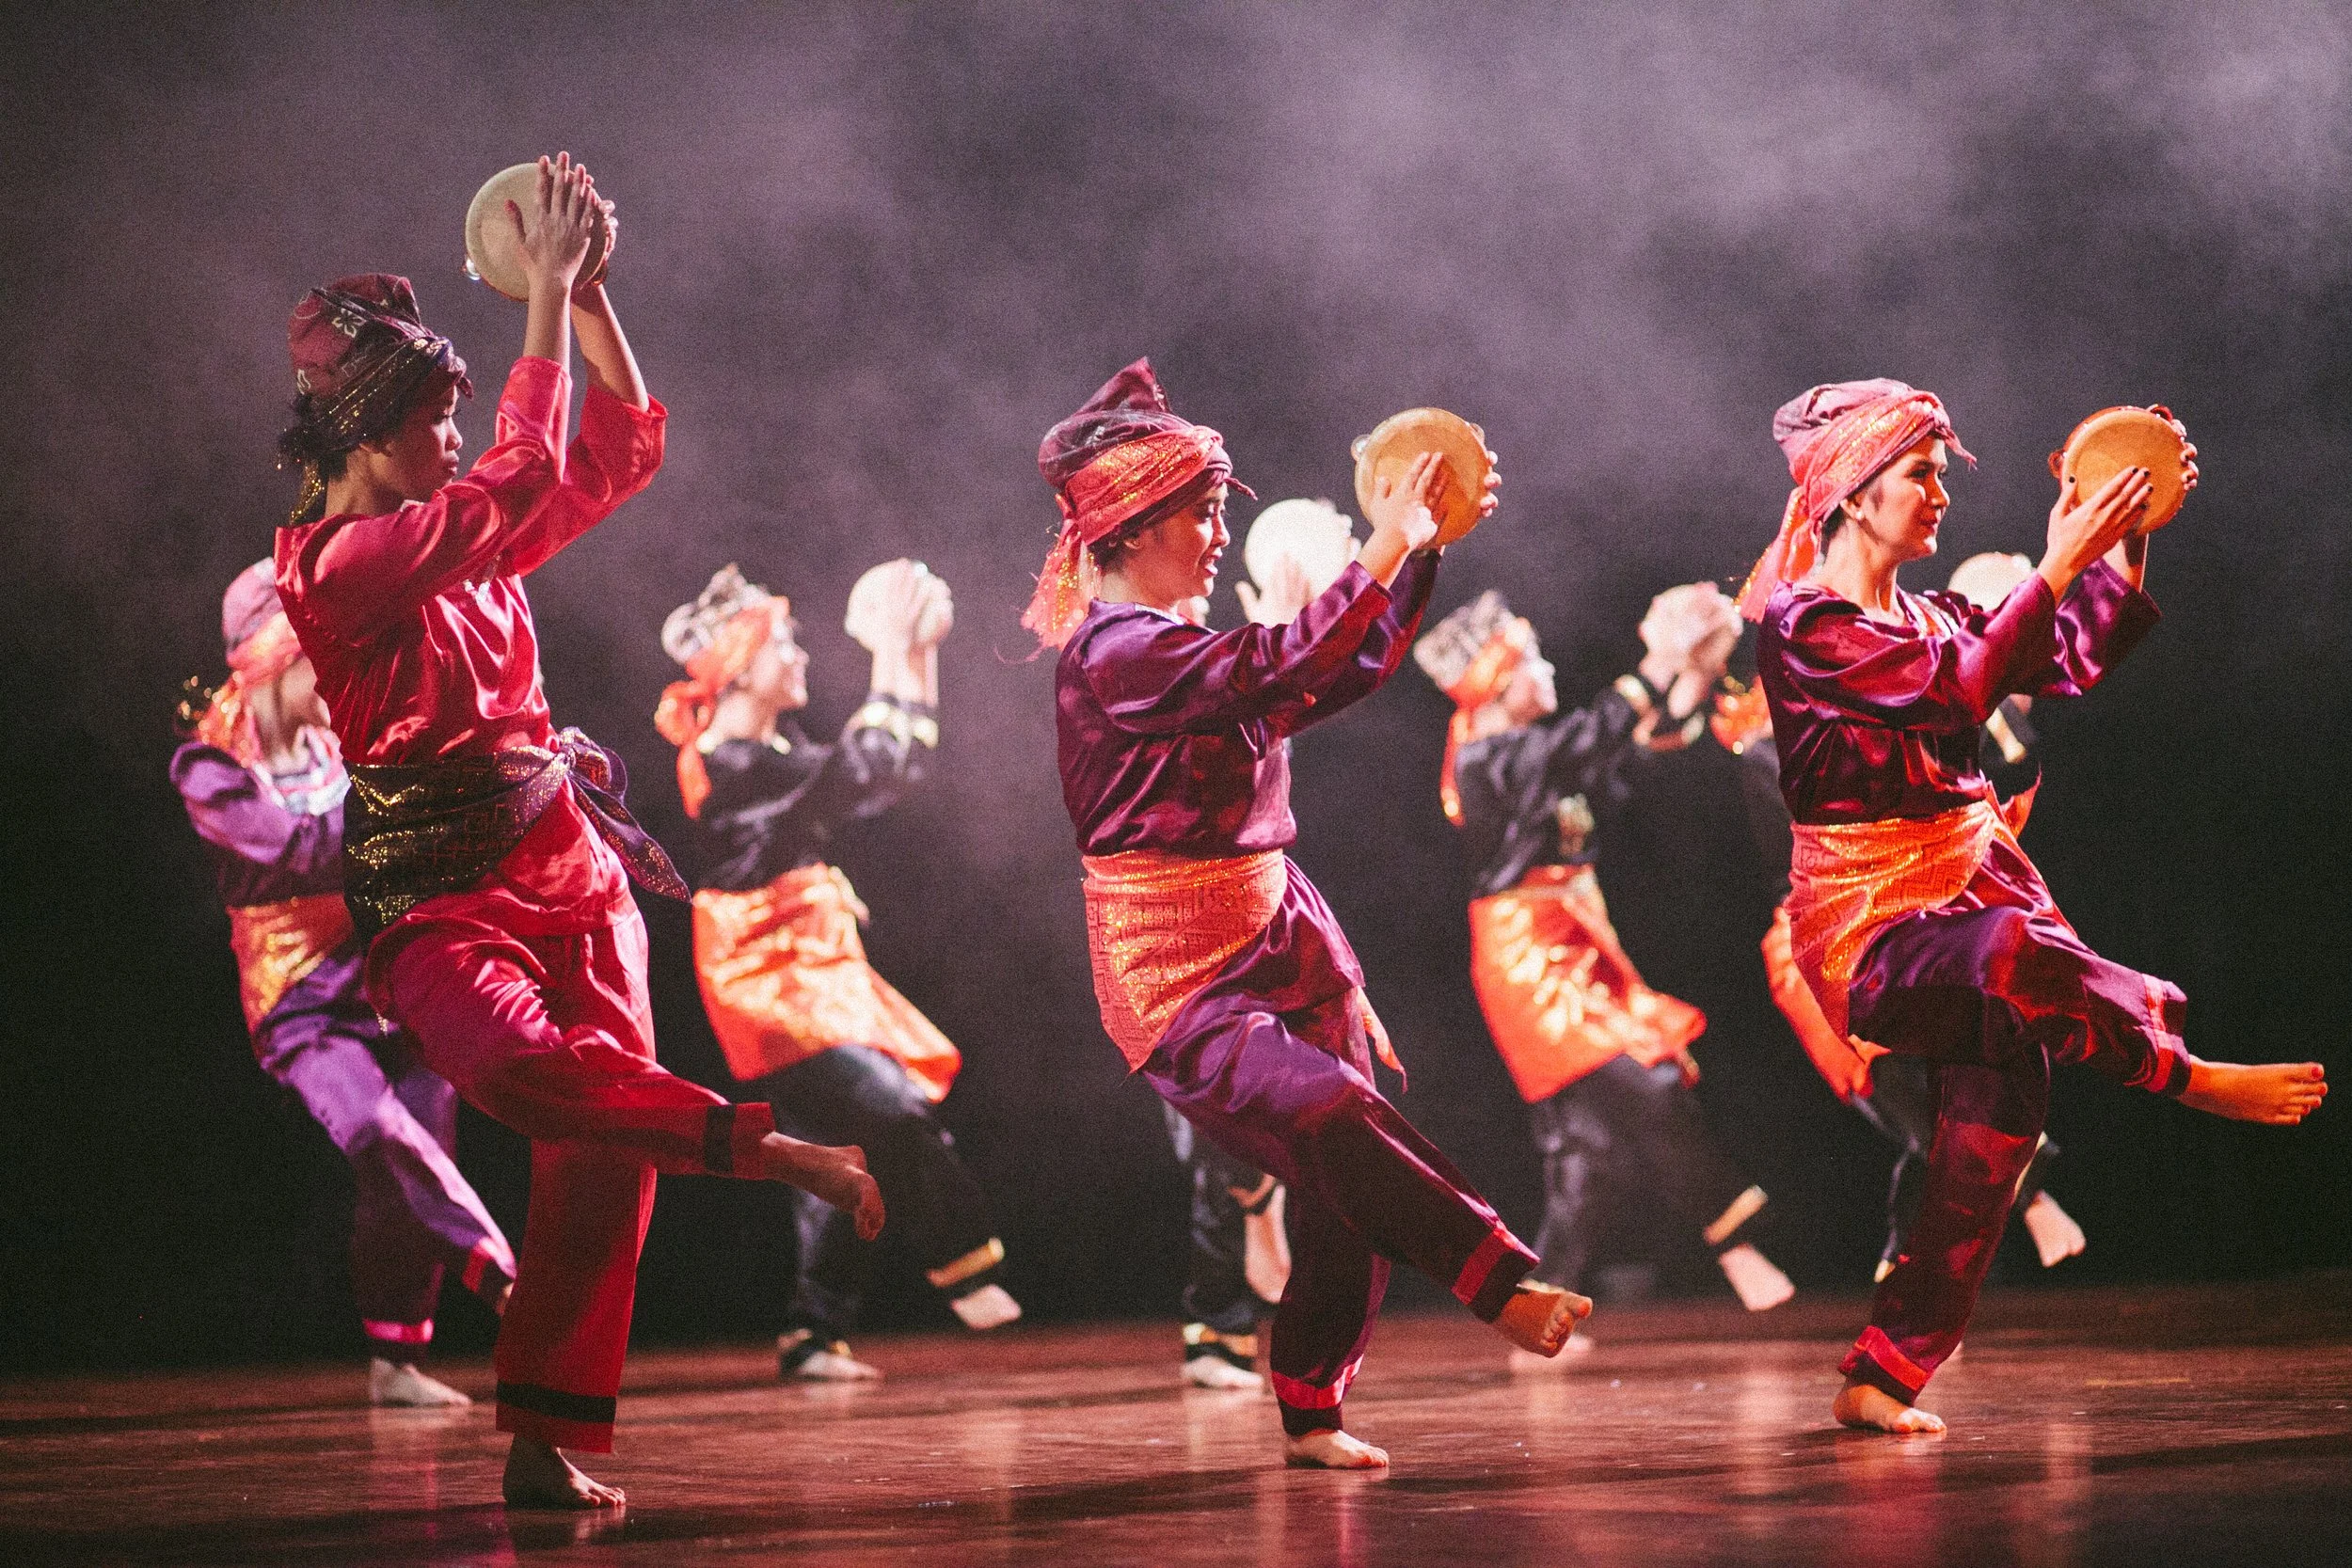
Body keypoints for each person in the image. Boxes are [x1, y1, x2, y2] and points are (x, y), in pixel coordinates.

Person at [272, 155, 881, 1508]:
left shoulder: (457, 533)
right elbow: (524, 462)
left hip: (570, 865)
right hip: (437, 894)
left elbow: (612, 447)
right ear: (364, 439)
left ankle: (545, 1436)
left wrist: (589, 298)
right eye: (435, 419)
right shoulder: (339, 566)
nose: (454, 437)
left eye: (456, 415)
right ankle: (760, 1144)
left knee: (600, 1164)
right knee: (524, 1073)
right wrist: (538, 290)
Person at [1741, 377, 2325, 1434]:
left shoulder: (1931, 609)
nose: (1939, 495)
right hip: (1870, 930)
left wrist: (2123, 534)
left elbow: (2067, 655)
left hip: (1965, 880)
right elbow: (1960, 688)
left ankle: (1883, 1371)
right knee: (2007, 948)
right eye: (1920, 476)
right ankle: (2177, 1068)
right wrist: (2056, 560)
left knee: (1996, 1126)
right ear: (1856, 493)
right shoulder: (1806, 625)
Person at [1033, 358, 1587, 1470]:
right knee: (1329, 1116)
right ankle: (1498, 1275)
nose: (1216, 533)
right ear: (1134, 527)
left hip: (1279, 928)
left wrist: (1420, 543)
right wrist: (1382, 542)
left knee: (1344, 1188)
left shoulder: (1181, 646)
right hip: (1173, 966)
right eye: (1199, 512)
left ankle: (1309, 1398)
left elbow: (1342, 665)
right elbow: (1283, 655)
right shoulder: (1114, 652)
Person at [656, 560, 1018, 1382]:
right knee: (889, 1105)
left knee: (837, 1146)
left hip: (814, 963)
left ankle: (814, 1329)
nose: (802, 655)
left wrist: (915, 657)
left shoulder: (773, 749)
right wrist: (893, 649)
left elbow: (888, 770)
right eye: (784, 642)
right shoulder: (729, 759)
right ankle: (965, 1257)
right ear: (742, 666)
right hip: (765, 977)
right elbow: (860, 768)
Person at [173, 561, 515, 1406]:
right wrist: (407, 804)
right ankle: (513, 1283)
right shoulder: (208, 768)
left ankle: (396, 1357)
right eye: (331, 661)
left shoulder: (340, 743)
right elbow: (299, 854)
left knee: (413, 1156)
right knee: (379, 1130)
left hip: (387, 982)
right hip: (301, 1009)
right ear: (276, 658)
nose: (347, 681)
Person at [1417, 587, 1793, 1346]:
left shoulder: (1545, 757)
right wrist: (1659, 659)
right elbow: (1596, 734)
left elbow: (1626, 748)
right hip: (1530, 966)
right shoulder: (1493, 759)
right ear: (1499, 681)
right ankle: (1733, 1236)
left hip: (1581, 948)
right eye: (1533, 661)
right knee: (1648, 1084)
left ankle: (1539, 1302)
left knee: (1584, 1156)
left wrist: (1691, 674)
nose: (1548, 668)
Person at [1740, 550, 2086, 1283]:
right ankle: (2021, 1201)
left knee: (1957, 1093)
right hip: (1839, 938)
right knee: (1923, 1096)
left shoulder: (2000, 715)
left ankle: (1903, 1271)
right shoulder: (1835, 724)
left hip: (1928, 925)